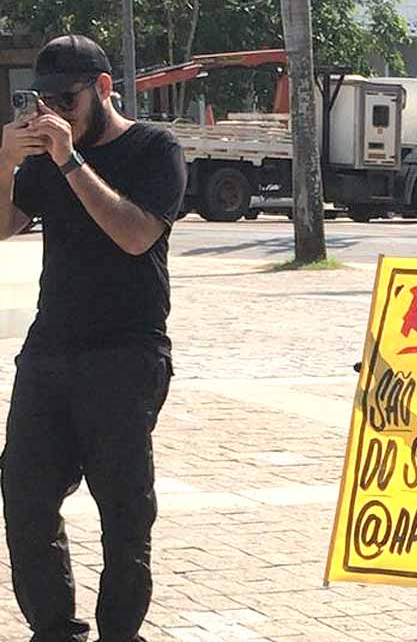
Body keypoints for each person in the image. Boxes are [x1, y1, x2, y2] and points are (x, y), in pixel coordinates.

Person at [0, 34, 186, 641]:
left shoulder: (155, 149)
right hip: (50, 349)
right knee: (24, 497)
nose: (54, 113)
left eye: (67, 101)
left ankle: (120, 634)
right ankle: (54, 630)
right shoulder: (46, 157)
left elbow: (135, 235)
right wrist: (5, 162)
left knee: (125, 512)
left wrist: (72, 163)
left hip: (127, 353)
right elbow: (5, 226)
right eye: (43, 100)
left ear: (103, 89)